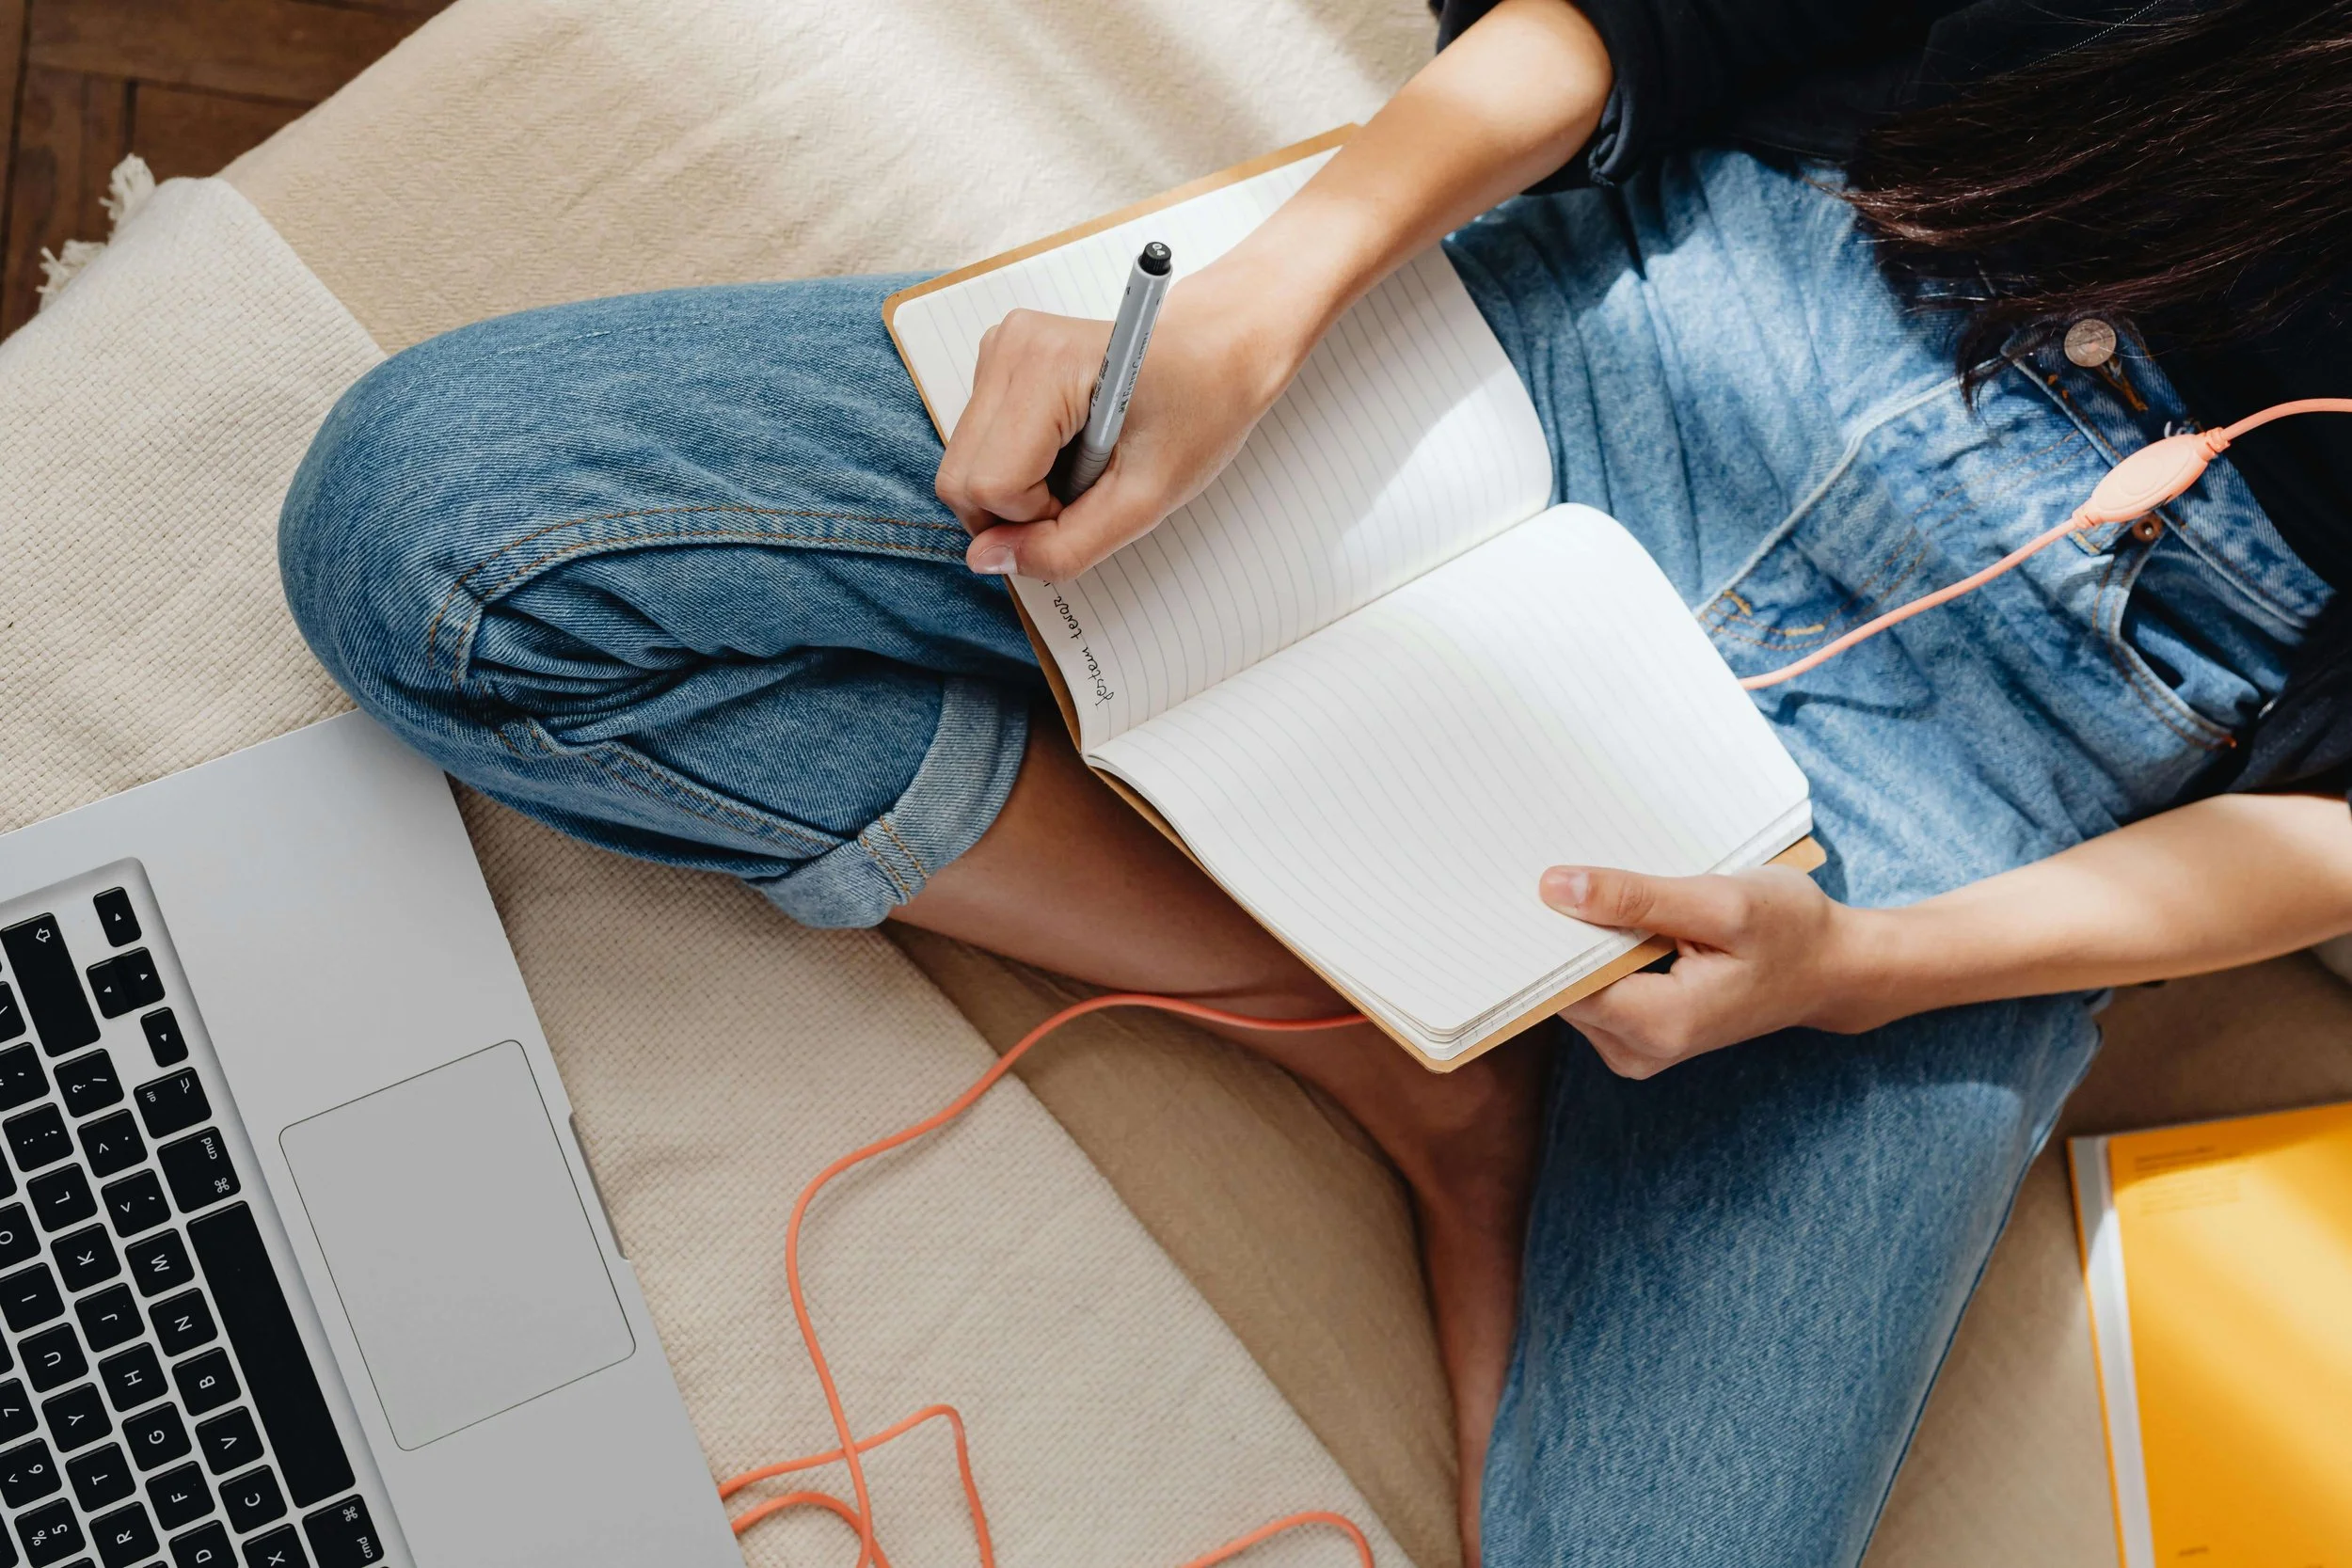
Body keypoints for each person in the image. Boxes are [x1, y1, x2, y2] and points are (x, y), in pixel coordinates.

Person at [277, 0, 2352, 1560]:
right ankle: (1399, 1058)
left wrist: (1866, 966)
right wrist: (1269, 292)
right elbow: (1623, 23)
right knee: (434, 535)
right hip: (1611, 353)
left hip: (2000, 793)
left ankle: (1491, 1026)